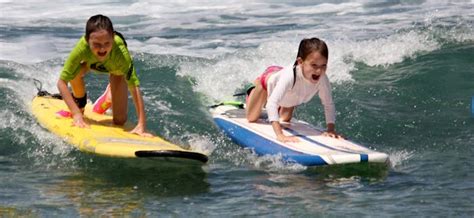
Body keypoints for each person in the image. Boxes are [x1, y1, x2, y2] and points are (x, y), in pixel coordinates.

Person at [57, 14, 153, 137]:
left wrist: (141, 125)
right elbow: (61, 82)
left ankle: (109, 95)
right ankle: (79, 106)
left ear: (113, 38)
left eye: (107, 43)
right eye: (97, 44)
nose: (102, 49)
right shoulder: (81, 48)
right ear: (87, 40)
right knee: (73, 73)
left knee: (119, 121)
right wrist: (76, 114)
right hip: (90, 64)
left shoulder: (121, 52)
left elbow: (134, 87)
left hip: (116, 71)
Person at [245, 37, 341, 142]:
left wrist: (330, 129)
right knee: (252, 118)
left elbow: (328, 104)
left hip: (290, 92)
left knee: (285, 120)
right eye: (314, 65)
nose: (319, 70)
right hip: (267, 82)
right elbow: (271, 104)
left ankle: (279, 105)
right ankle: (253, 90)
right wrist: (280, 135)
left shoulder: (322, 78)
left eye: (323, 65)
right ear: (300, 62)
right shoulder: (290, 76)